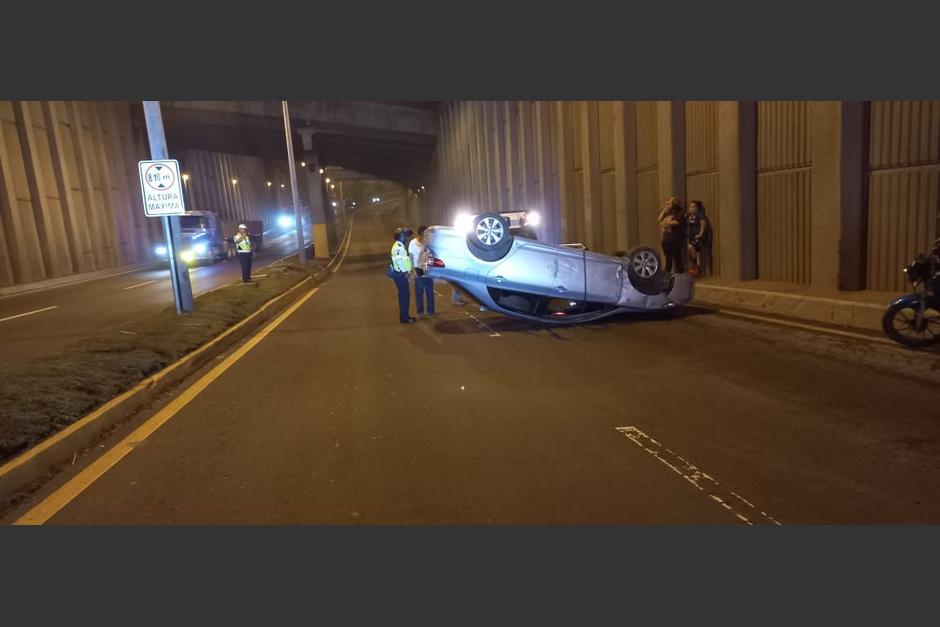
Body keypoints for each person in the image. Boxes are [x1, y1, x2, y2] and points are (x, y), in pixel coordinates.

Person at [389, 227, 416, 324]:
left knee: (403, 296)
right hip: (401, 275)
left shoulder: (399, 246)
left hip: (400, 274)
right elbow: (400, 262)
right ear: (401, 237)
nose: (407, 238)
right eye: (406, 236)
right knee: (404, 296)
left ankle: (404, 316)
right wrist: (407, 273)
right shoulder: (398, 248)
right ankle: (404, 318)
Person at [409, 225, 435, 317]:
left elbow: (432, 255)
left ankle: (431, 311)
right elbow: (411, 258)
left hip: (427, 269)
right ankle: (420, 312)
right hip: (417, 269)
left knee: (430, 292)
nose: (427, 236)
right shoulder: (413, 243)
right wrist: (413, 271)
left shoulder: (428, 243)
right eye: (426, 233)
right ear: (421, 234)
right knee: (419, 292)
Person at [657, 197, 685, 273]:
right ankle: (667, 273)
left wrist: (665, 223)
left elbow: (676, 222)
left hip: (675, 239)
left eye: (671, 202)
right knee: (668, 258)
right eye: (669, 203)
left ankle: (680, 273)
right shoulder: (668, 212)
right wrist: (664, 210)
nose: (669, 204)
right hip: (666, 239)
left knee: (677, 258)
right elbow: (659, 219)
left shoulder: (680, 212)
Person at [686, 200, 712, 277]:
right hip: (691, 237)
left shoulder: (700, 215)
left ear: (697, 208)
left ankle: (698, 269)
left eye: (693, 206)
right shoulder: (689, 216)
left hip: (699, 237)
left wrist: (700, 234)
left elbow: (703, 224)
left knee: (695, 251)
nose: (691, 208)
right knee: (693, 252)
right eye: (690, 206)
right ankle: (696, 268)